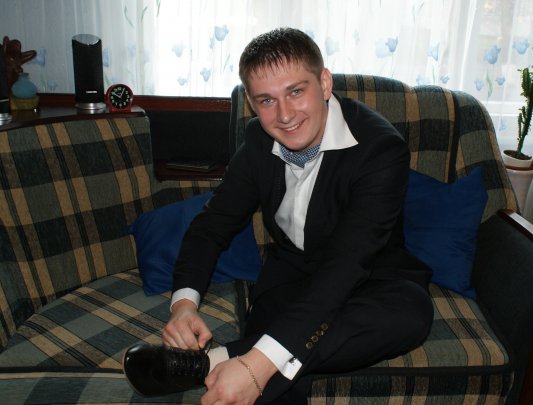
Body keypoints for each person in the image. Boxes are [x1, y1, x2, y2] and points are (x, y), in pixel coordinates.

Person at [123, 27, 433, 404]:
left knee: (412, 315)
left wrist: (255, 362)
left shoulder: (380, 150)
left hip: (373, 277)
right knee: (284, 349)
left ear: (324, 83)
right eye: (267, 100)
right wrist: (184, 304)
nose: (284, 115)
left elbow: (347, 264)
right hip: (291, 277)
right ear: (252, 104)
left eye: (296, 92)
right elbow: (212, 225)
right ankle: (256, 358)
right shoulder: (258, 140)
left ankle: (212, 363)